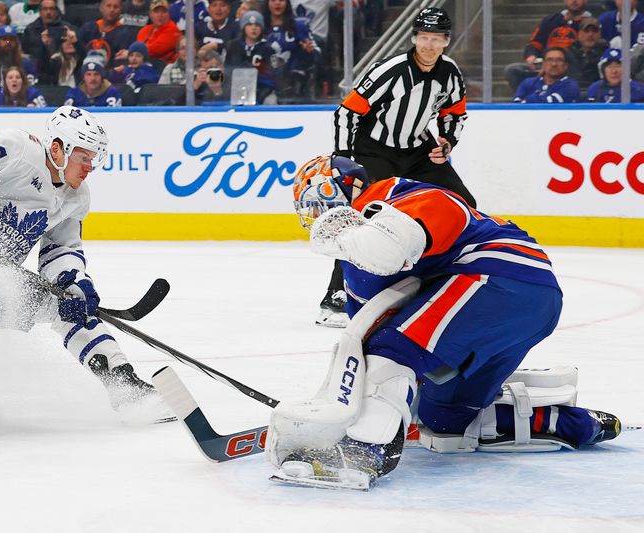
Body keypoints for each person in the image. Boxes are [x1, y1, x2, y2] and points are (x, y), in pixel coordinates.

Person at [269, 154, 626, 489]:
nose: (319, 217)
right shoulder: (356, 263)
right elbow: (364, 332)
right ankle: (573, 424)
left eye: (320, 201)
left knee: (393, 349)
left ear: (349, 187)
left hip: (498, 279)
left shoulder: (391, 194)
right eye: (311, 209)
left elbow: (428, 221)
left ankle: (363, 452)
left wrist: (359, 238)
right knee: (447, 421)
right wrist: (348, 399)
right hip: (521, 307)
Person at [0, 106, 173, 448]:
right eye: (83, 157)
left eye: (93, 158)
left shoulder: (76, 196)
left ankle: (126, 387)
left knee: (67, 307)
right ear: (57, 149)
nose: (90, 167)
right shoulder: (20, 150)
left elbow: (60, 249)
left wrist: (73, 282)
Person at [326, 7, 475, 329]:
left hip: (418, 151)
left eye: (436, 39)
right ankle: (337, 293)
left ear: (447, 41)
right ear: (413, 38)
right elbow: (347, 112)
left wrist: (447, 141)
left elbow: (455, 113)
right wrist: (344, 157)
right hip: (374, 150)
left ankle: (440, 278)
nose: (429, 45)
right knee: (362, 217)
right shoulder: (390, 70)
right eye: (424, 37)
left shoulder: (450, 72)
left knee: (462, 204)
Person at [504, 0, 593, 92]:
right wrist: (532, 56)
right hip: (545, 65)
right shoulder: (551, 20)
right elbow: (534, 43)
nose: (574, 1)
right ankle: (525, 100)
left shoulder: (591, 24)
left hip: (572, 68)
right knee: (513, 70)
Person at [262, 0, 320, 101]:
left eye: (281, 0)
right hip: (264, 85)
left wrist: (308, 51)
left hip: (294, 87)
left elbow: (316, 54)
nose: (277, 3)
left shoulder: (299, 26)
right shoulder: (260, 26)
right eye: (273, 0)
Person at [225, 11, 276, 104]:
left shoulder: (267, 48)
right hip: (235, 89)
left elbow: (270, 75)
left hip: (261, 89)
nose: (254, 28)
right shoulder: (233, 46)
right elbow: (227, 69)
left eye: (257, 25)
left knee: (271, 101)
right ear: (243, 27)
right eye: (249, 24)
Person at [20, 0, 74, 84]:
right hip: (37, 73)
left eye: (51, 9)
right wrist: (43, 45)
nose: (48, 12)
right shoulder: (30, 30)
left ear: (56, 11)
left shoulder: (66, 29)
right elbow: (28, 54)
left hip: (61, 72)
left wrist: (50, 46)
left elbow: (70, 56)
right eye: (45, 9)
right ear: (40, 11)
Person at [77, 0, 136, 67]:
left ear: (121, 10)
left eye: (116, 7)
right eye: (108, 6)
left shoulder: (126, 34)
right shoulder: (87, 28)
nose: (111, 10)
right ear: (101, 8)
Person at [512, 46, 580, 103]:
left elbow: (549, 104)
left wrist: (526, 100)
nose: (554, 64)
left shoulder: (571, 85)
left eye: (559, 60)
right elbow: (516, 103)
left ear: (566, 65)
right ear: (543, 64)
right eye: (549, 60)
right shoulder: (528, 83)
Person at [566, 16, 608, 94]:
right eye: (586, 31)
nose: (590, 34)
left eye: (594, 31)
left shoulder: (606, 55)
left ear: (599, 34)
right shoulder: (567, 54)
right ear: (579, 34)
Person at [136, 0, 181, 64]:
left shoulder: (173, 30)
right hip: (145, 64)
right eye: (156, 11)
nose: (160, 15)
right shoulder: (144, 30)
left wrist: (133, 52)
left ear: (169, 14)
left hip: (163, 67)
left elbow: (154, 51)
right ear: (150, 14)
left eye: (164, 11)